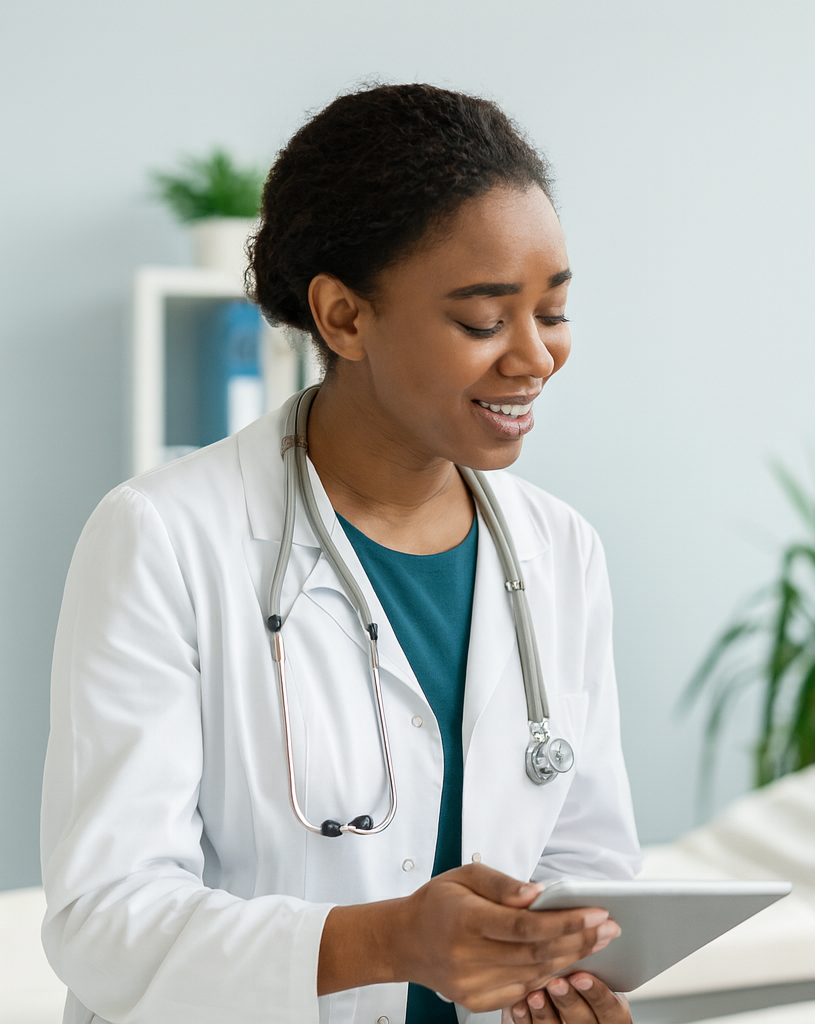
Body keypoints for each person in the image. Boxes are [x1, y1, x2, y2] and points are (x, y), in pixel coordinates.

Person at [41, 84, 640, 1024]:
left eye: (552, 312)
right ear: (344, 317)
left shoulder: (559, 551)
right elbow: (105, 921)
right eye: (485, 321)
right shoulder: (163, 537)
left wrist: (573, 980)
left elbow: (585, 865)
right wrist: (389, 941)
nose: (534, 357)